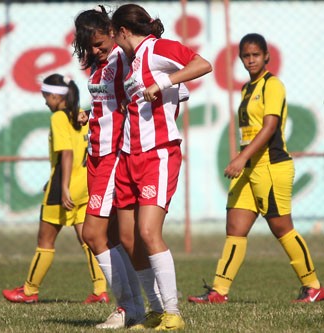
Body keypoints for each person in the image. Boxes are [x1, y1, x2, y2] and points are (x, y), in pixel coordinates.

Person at [188, 33, 324, 304]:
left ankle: (314, 287)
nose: (250, 60)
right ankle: (219, 291)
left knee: (281, 227)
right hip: (249, 167)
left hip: (271, 165)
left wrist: (240, 158)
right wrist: (244, 160)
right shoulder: (247, 88)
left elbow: (270, 127)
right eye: (246, 56)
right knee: (235, 227)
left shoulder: (272, 85)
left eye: (255, 55)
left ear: (266, 57)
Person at [111, 3, 212, 331]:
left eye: (115, 35)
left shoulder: (157, 49)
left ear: (124, 31)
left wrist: (165, 82)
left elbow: (202, 64)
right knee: (129, 238)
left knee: (148, 232)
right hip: (128, 155)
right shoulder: (129, 61)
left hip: (157, 154)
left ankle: (173, 312)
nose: (114, 41)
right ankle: (155, 311)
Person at [73, 6, 165, 329]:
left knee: (92, 232)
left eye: (100, 43)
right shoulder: (97, 69)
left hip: (114, 154)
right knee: (113, 235)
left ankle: (129, 306)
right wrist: (87, 113)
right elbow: (108, 102)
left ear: (112, 33)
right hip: (95, 154)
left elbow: (153, 83)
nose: (97, 51)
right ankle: (136, 307)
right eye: (90, 47)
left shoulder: (124, 57)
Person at [2, 74, 109, 304]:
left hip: (64, 189)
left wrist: (62, 188)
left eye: (46, 97)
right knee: (87, 240)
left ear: (55, 96)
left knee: (45, 241)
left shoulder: (60, 118)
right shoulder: (81, 114)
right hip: (83, 186)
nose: (45, 102)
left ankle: (29, 291)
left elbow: (67, 153)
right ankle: (100, 291)